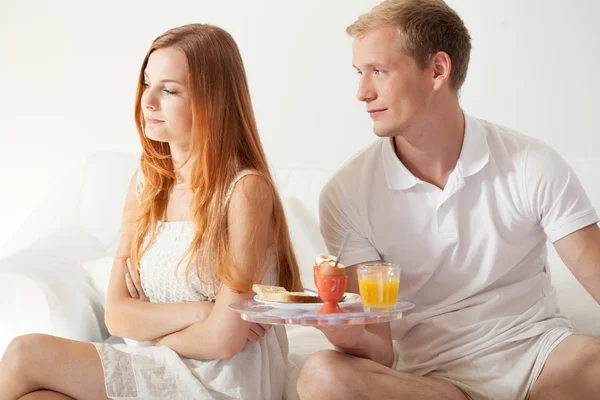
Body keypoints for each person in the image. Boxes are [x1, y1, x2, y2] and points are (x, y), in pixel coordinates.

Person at [296, 1, 600, 399]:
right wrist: (346, 333)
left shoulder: (531, 164)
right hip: (434, 381)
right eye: (359, 73)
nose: (362, 92)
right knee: (321, 375)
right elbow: (380, 350)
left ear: (437, 70)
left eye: (379, 71)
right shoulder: (347, 193)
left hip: (541, 358)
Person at [0, 23, 302, 400]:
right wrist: (202, 310)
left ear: (213, 101)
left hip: (223, 382)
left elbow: (224, 341)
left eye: (169, 90)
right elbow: (117, 316)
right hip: (162, 366)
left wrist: (155, 328)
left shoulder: (244, 191)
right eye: (147, 83)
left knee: (24, 354)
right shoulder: (147, 185)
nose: (147, 101)